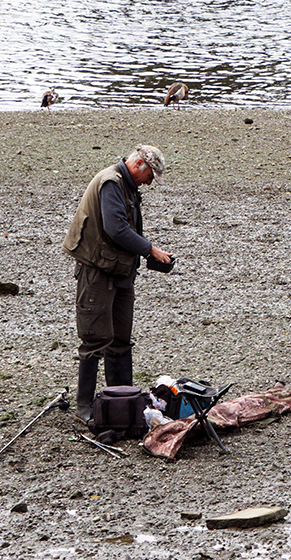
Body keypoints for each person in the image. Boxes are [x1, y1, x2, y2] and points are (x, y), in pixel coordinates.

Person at [62, 144, 175, 423]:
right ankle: (84, 408)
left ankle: (122, 402)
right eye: (150, 176)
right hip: (97, 271)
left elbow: (122, 230)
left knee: (121, 339)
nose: (150, 182)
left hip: (120, 271)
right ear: (138, 165)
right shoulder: (111, 183)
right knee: (94, 339)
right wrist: (150, 250)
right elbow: (116, 229)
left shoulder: (127, 184)